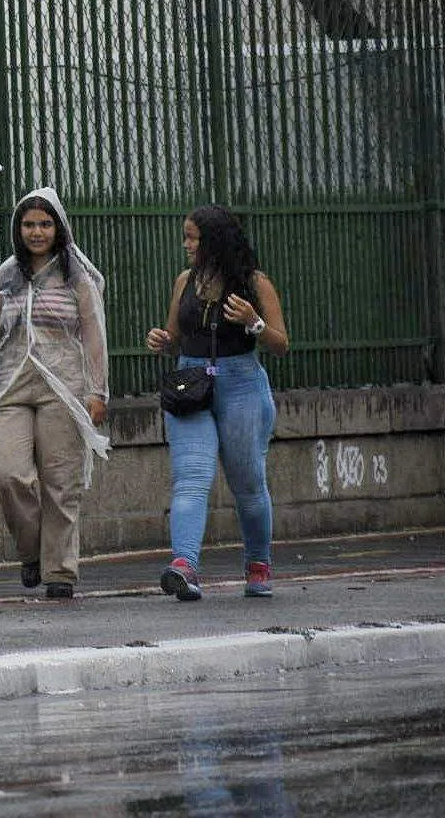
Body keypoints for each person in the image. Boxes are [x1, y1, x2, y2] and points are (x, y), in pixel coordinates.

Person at [0, 188, 109, 599]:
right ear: (18, 230)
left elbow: (93, 336)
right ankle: (31, 551)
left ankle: (60, 572)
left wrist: (97, 390)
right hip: (10, 384)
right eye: (29, 224)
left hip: (64, 383)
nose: (37, 232)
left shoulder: (77, 278)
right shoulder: (7, 278)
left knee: (60, 480)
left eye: (45, 224)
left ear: (59, 228)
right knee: (6, 473)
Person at [144, 204, 289, 601]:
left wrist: (252, 321)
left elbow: (280, 343)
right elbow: (174, 336)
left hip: (241, 384)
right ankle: (184, 565)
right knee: (190, 477)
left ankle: (258, 563)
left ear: (214, 241)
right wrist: (162, 341)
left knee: (247, 483)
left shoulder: (255, 284)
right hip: (191, 385)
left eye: (192, 237)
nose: (186, 244)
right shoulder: (184, 281)